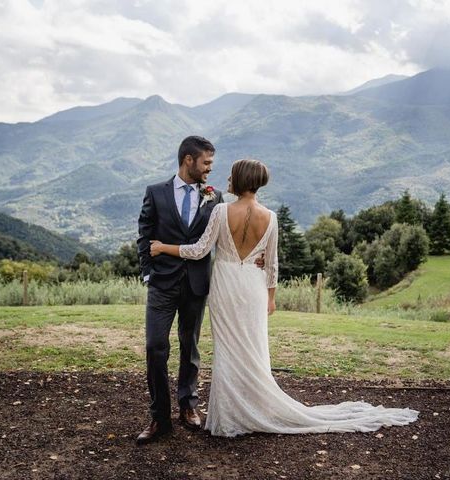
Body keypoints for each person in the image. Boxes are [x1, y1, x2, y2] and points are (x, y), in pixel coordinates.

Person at [150, 159, 420, 437]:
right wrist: (271, 297)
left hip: (227, 287)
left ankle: (232, 415)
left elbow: (199, 250)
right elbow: (272, 264)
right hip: (253, 288)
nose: (227, 179)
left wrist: (162, 247)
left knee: (228, 350)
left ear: (241, 180)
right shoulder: (271, 217)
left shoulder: (220, 210)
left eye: (232, 175)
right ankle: (253, 408)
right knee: (253, 349)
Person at [135, 136, 223, 445]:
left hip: (196, 285)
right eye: (206, 163)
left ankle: (188, 406)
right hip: (161, 284)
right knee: (155, 348)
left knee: (191, 347)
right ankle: (159, 417)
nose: (210, 169)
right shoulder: (155, 193)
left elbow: (219, 239)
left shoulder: (215, 197)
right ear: (189, 160)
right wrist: (149, 273)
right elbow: (144, 236)